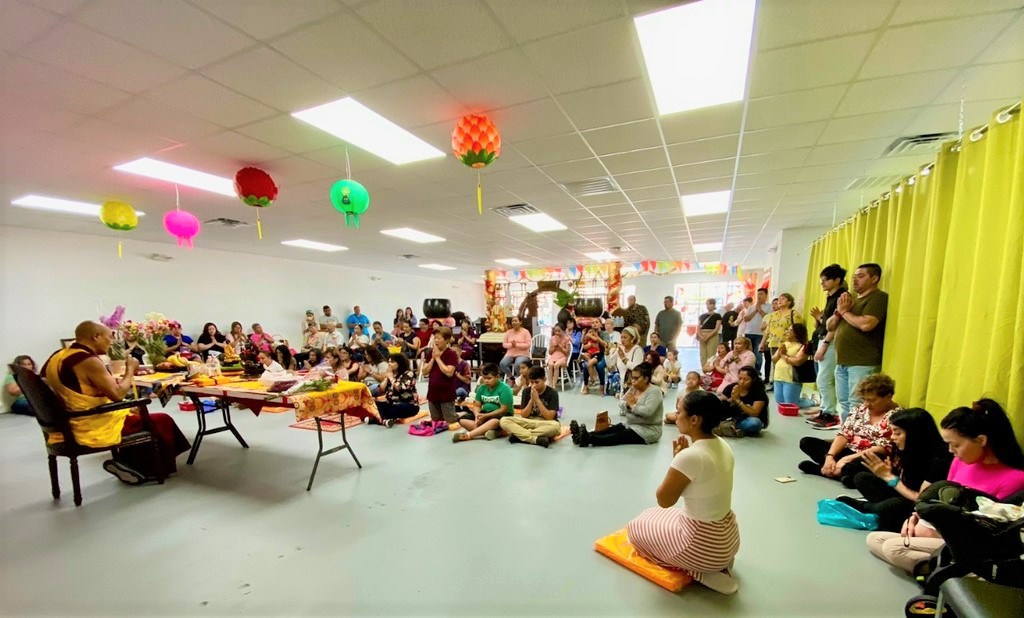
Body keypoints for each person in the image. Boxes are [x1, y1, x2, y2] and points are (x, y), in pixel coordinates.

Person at [866, 398, 1024, 573]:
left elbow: (991, 530)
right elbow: (936, 497)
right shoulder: (959, 462)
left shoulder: (1015, 478)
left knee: (893, 549)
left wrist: (938, 530)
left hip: (960, 544)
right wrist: (914, 517)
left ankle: (951, 571)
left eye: (955, 445)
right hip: (930, 532)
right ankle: (940, 569)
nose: (950, 450)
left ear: (981, 440)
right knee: (874, 539)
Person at [41, 321, 190, 484]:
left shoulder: (57, 356)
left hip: (68, 420)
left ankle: (128, 463)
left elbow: (52, 384)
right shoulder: (87, 360)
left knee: (134, 414)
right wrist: (130, 369)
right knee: (161, 419)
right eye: (109, 337)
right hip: (91, 423)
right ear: (96, 337)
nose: (111, 342)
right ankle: (144, 470)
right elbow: (118, 395)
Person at [626, 390, 740, 595]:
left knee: (635, 527)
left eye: (679, 412)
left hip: (702, 546)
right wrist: (680, 463)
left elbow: (664, 500)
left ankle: (698, 570)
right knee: (651, 515)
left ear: (694, 420)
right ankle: (713, 564)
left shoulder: (691, 456)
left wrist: (677, 462)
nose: (676, 416)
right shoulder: (723, 444)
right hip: (728, 539)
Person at [836, 408, 951, 532]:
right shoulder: (908, 449)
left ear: (914, 433)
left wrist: (889, 477)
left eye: (897, 433)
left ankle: (867, 508)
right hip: (904, 493)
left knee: (894, 506)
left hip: (920, 505)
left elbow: (921, 499)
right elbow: (904, 482)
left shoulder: (940, 458)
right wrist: (890, 472)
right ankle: (877, 510)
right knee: (862, 478)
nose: (893, 437)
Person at [798, 373, 899, 485]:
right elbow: (844, 434)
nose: (867, 404)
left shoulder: (896, 417)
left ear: (888, 396)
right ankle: (840, 473)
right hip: (850, 450)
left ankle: (827, 471)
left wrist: (847, 459)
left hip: (869, 456)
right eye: (864, 399)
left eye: (872, 400)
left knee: (868, 462)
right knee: (807, 442)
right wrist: (830, 456)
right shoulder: (861, 409)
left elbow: (883, 449)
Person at [827, 263, 888, 421]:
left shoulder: (878, 297)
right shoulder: (849, 300)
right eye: (854, 277)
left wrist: (844, 312)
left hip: (862, 362)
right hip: (842, 361)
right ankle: (846, 432)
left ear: (874, 278)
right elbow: (829, 326)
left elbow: (866, 324)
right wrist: (840, 312)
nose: (855, 280)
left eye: (861, 276)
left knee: (858, 404)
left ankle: (855, 434)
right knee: (844, 403)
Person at [570, 362, 663, 447]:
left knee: (618, 436)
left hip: (647, 429)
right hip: (631, 423)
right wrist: (628, 405)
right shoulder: (634, 388)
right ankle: (581, 436)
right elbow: (621, 402)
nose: (633, 381)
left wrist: (632, 405)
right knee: (610, 430)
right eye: (632, 378)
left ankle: (588, 439)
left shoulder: (655, 392)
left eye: (636, 378)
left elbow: (647, 412)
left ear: (646, 379)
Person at [807, 264, 848, 427]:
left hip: (830, 341)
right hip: (822, 338)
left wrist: (824, 345)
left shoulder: (841, 297)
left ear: (837, 280)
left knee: (824, 379)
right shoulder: (831, 296)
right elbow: (826, 322)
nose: (822, 283)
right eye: (821, 280)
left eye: (825, 280)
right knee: (822, 378)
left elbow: (835, 325)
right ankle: (824, 410)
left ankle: (830, 413)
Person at [500, 365, 561, 448]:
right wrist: (531, 400)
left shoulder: (552, 393)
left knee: (556, 427)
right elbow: (524, 415)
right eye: (532, 382)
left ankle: (520, 436)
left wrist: (537, 400)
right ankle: (534, 439)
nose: (533, 385)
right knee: (504, 420)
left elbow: (549, 417)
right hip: (528, 421)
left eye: (537, 382)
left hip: (545, 423)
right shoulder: (526, 391)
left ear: (544, 380)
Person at [454, 363, 514, 442]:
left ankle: (468, 435)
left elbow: (503, 409)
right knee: (462, 420)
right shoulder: (482, 388)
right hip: (485, 413)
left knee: (494, 422)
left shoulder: (505, 389)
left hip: (502, 415)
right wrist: (477, 415)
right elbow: (477, 405)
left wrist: (485, 416)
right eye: (484, 378)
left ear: (497, 377)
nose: (486, 381)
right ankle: (495, 432)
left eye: (489, 378)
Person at [714, 366, 769, 438]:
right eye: (740, 378)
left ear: (753, 380)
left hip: (746, 420)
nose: (742, 382)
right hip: (730, 418)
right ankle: (734, 430)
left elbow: (755, 413)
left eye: (746, 379)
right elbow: (719, 405)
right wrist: (731, 399)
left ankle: (727, 428)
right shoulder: (731, 387)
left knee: (755, 423)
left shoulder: (759, 392)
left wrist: (738, 400)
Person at [762, 293, 802, 389]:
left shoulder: (794, 314)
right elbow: (768, 330)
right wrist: (763, 342)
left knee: (787, 364)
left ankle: (788, 383)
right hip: (774, 343)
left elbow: (798, 329)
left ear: (789, 302)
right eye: (779, 299)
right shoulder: (773, 315)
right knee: (776, 364)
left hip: (788, 344)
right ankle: (776, 383)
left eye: (783, 299)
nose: (779, 301)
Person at [422, 327, 459, 425]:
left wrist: (438, 358)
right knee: (436, 421)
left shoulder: (451, 354)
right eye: (435, 338)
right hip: (433, 393)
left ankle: (464, 414)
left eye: (438, 338)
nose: (436, 340)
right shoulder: (431, 353)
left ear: (446, 340)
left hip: (446, 394)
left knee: (450, 421)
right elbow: (424, 371)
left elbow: (449, 372)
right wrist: (433, 358)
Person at [771, 323, 811, 410]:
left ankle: (811, 401)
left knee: (790, 404)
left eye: (790, 330)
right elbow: (774, 359)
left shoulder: (803, 346)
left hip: (792, 379)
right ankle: (803, 399)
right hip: (778, 377)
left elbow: (797, 361)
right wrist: (779, 353)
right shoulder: (784, 344)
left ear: (797, 333)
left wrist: (783, 355)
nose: (787, 332)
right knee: (780, 403)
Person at [373, 353, 419, 428]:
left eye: (392, 362)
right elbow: (381, 389)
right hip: (391, 404)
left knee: (399, 407)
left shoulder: (409, 374)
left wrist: (391, 378)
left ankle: (378, 419)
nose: (389, 364)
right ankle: (385, 419)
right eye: (388, 362)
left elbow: (400, 389)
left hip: (408, 405)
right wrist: (387, 378)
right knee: (374, 404)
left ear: (400, 363)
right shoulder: (391, 374)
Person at [741, 288, 769, 373]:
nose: (759, 296)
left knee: (758, 354)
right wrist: (755, 310)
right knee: (747, 353)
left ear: (766, 295)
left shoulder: (769, 307)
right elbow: (746, 319)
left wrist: (760, 310)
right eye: (758, 294)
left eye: (761, 294)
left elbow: (768, 319)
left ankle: (757, 372)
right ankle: (747, 371)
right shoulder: (751, 307)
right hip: (749, 333)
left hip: (760, 334)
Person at [499, 316, 531, 382]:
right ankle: (511, 378)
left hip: (523, 353)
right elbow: (504, 344)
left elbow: (528, 345)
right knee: (502, 364)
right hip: (510, 354)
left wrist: (516, 345)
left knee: (518, 364)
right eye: (513, 321)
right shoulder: (508, 332)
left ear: (520, 322)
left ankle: (520, 380)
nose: (514, 322)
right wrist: (512, 345)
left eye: (516, 321)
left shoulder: (525, 332)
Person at [579, 324, 605, 395]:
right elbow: (583, 345)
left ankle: (593, 379)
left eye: (591, 332)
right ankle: (589, 382)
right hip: (590, 354)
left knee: (589, 364)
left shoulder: (596, 337)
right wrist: (583, 334)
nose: (590, 333)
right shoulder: (589, 340)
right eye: (589, 332)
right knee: (586, 365)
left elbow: (596, 339)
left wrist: (590, 335)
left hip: (597, 354)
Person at [696, 298, 722, 366]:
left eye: (709, 304)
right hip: (702, 333)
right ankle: (704, 369)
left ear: (713, 305)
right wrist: (701, 336)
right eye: (707, 304)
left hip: (712, 334)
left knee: (711, 354)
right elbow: (698, 327)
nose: (708, 306)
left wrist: (708, 336)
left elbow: (717, 328)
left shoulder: (717, 316)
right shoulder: (702, 316)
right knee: (702, 355)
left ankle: (710, 369)